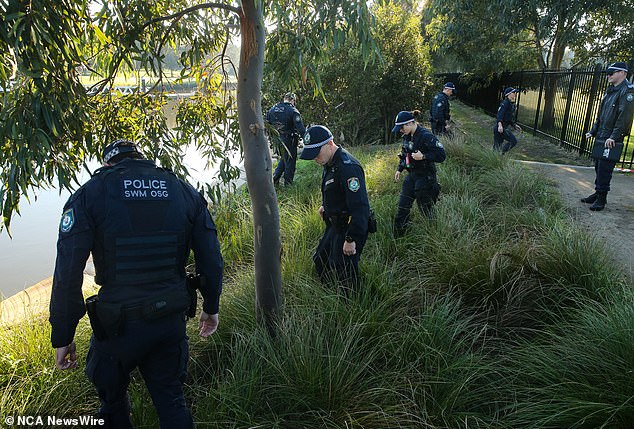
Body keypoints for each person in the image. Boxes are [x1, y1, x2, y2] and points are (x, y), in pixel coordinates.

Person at [49, 139, 224, 429]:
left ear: (108, 164)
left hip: (118, 327)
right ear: (141, 158)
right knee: (171, 399)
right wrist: (211, 305)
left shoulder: (91, 193)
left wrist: (62, 334)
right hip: (170, 319)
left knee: (113, 403)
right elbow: (211, 257)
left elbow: (68, 271)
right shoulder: (181, 189)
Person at [299, 125, 370, 293]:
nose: (315, 158)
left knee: (344, 270)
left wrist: (351, 239)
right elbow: (337, 191)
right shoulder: (330, 162)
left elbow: (361, 208)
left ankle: (351, 303)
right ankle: (330, 294)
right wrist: (328, 206)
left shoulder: (348, 167)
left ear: (330, 144)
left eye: (317, 153)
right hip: (335, 223)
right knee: (321, 259)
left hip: (350, 226)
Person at [582, 61, 634, 211]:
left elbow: (624, 117)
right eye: (608, 73)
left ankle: (602, 199)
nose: (609, 75)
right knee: (598, 166)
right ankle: (598, 193)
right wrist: (593, 130)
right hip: (602, 135)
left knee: (605, 169)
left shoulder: (627, 92)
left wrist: (614, 137)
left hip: (611, 138)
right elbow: (601, 114)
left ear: (623, 73)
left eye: (612, 72)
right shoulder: (611, 90)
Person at [392, 110, 446, 237]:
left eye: (401, 128)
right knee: (403, 206)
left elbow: (441, 155)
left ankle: (435, 234)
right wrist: (399, 169)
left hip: (425, 177)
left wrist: (424, 156)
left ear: (410, 123)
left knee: (425, 209)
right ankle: (398, 237)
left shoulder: (426, 135)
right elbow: (405, 154)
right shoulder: (407, 136)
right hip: (412, 176)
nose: (400, 131)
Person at [266, 92, 306, 186]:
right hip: (289, 140)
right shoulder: (293, 110)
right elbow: (301, 129)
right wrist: (307, 140)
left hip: (277, 140)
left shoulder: (272, 109)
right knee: (290, 163)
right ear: (293, 100)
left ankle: (274, 180)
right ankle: (288, 185)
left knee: (284, 160)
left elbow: (267, 124)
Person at [493, 87, 522, 154]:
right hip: (500, 128)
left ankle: (497, 156)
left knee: (497, 147)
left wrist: (514, 125)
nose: (515, 94)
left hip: (502, 128)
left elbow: (508, 118)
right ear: (509, 94)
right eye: (514, 93)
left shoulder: (510, 104)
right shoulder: (505, 103)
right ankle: (501, 153)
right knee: (513, 141)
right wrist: (500, 125)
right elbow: (500, 114)